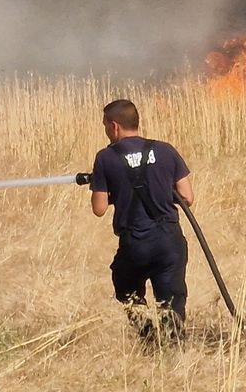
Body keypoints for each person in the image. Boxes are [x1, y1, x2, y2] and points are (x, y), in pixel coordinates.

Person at [88, 98, 193, 342]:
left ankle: (147, 336)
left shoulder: (105, 158)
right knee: (171, 301)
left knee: (126, 288)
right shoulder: (166, 150)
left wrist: (104, 184)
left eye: (105, 126)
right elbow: (187, 197)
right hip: (170, 241)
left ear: (114, 126)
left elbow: (99, 208)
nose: (106, 131)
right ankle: (173, 350)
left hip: (135, 245)